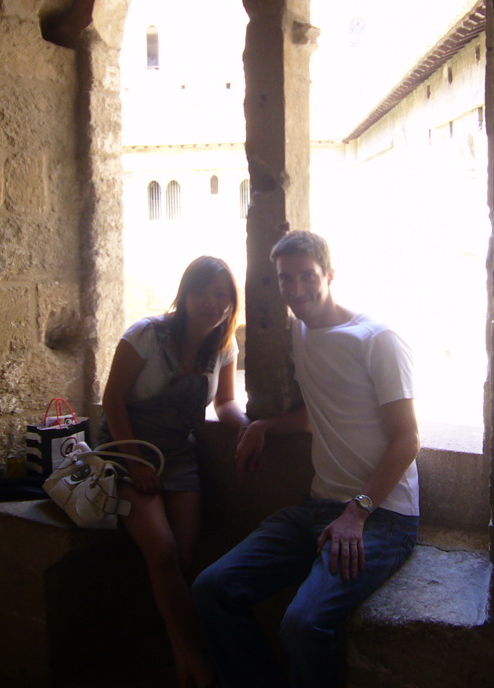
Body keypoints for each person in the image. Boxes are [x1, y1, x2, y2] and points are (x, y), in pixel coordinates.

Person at [192, 230, 421, 688]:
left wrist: (357, 512)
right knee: (212, 589)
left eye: (307, 276)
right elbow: (320, 414)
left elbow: (408, 438)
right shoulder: (299, 332)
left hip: (381, 517)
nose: (297, 290)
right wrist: (263, 426)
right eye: (286, 279)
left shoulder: (376, 339)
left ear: (329, 275)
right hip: (316, 507)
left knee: (303, 624)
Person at [100, 256, 250, 688]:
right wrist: (132, 460)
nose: (212, 303)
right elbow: (112, 401)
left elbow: (224, 403)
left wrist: (250, 428)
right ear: (184, 295)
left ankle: (174, 650)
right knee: (162, 551)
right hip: (125, 450)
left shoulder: (223, 346)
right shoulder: (146, 335)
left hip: (177, 456)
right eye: (202, 292)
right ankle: (193, 662)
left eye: (222, 294)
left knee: (186, 560)